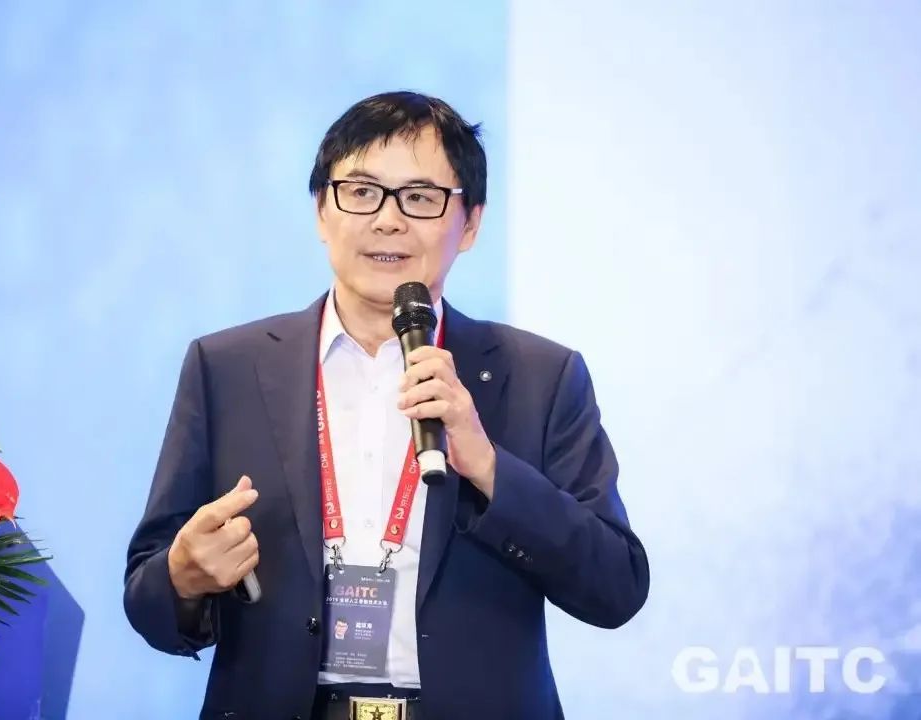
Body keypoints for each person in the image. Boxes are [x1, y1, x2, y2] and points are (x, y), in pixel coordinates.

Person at [124, 91, 650, 720]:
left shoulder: (542, 376)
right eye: (362, 192)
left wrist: (490, 469)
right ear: (322, 211)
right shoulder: (227, 367)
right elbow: (146, 599)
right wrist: (183, 578)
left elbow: (616, 587)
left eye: (421, 198)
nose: (388, 220)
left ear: (471, 223)